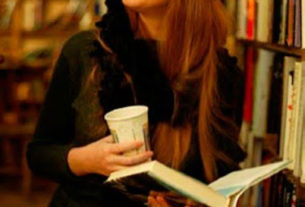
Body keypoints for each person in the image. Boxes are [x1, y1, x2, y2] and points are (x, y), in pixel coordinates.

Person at [26, 0, 246, 206]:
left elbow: (219, 180)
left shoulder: (221, 74)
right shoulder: (85, 52)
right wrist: (87, 160)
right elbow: (39, 154)